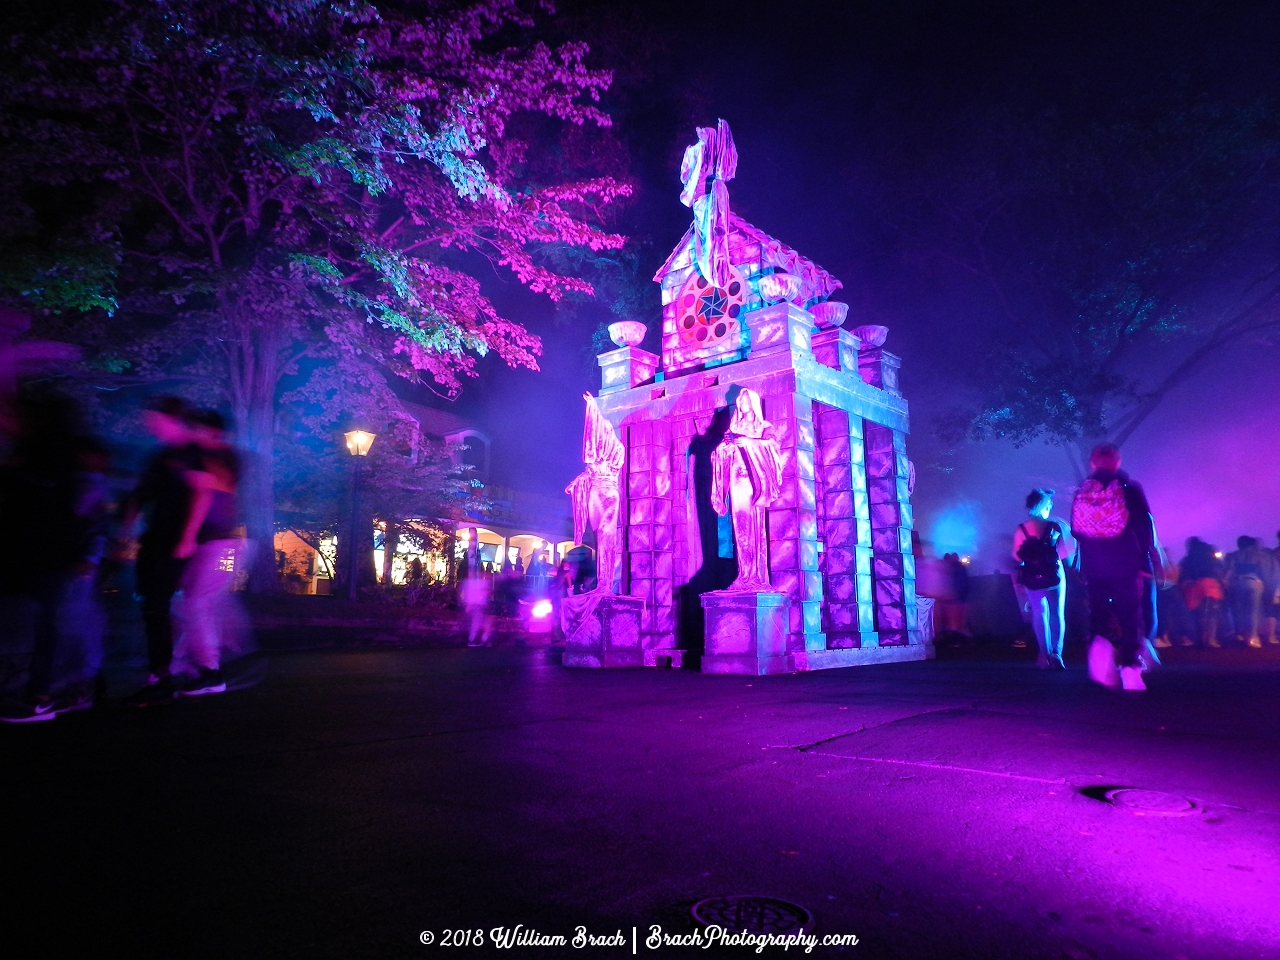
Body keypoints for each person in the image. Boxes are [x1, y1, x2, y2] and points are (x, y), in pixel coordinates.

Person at [0, 391, 106, 721]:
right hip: (49, 555)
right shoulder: (48, 458)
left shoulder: (51, 460)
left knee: (61, 621)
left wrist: (88, 554)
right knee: (53, 621)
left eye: (13, 415)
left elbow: (87, 515)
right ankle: (49, 690)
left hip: (49, 556)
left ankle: (49, 691)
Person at [120, 396, 201, 707]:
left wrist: (187, 537)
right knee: (152, 608)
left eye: (155, 419)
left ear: (172, 419)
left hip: (172, 540)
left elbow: (201, 493)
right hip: (153, 539)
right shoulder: (158, 456)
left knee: (157, 606)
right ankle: (161, 674)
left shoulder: (190, 453)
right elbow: (140, 495)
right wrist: (125, 533)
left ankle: (162, 677)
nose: (150, 424)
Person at [1071, 443, 1161, 692]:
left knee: (1099, 613)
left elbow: (1076, 530)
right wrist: (1145, 560)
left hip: (1094, 564)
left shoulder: (1083, 489)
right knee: (1130, 614)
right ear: (1118, 462)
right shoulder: (1130, 489)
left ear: (1092, 463)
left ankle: (1100, 664)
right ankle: (1131, 670)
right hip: (1125, 562)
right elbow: (1144, 526)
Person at [170, 409, 247, 695]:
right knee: (198, 601)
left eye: (199, 429)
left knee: (197, 602)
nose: (194, 433)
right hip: (222, 544)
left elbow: (208, 493)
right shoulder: (220, 458)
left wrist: (186, 538)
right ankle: (188, 661)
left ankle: (209, 670)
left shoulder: (217, 459)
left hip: (219, 545)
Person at [1012, 488, 1073, 670]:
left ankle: (1043, 655)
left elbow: (1017, 555)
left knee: (1039, 613)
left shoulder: (1021, 529)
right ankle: (1057, 653)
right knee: (1057, 613)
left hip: (1032, 575)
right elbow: (1065, 552)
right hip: (1055, 574)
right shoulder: (1055, 526)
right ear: (1046, 505)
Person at [1224, 536, 1279, 648]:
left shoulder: (1232, 555)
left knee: (1239, 610)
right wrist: (1267, 586)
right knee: (1253, 611)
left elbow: (1228, 571)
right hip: (1254, 582)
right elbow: (1264, 571)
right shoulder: (1259, 555)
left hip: (1237, 583)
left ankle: (1240, 633)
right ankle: (1253, 637)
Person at [1177, 537, 1225, 648]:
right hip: (1210, 587)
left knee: (1196, 613)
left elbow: (1182, 573)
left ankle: (1197, 638)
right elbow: (1219, 570)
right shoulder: (1211, 558)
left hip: (1192, 588)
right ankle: (1210, 639)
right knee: (1211, 614)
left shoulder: (1187, 559)